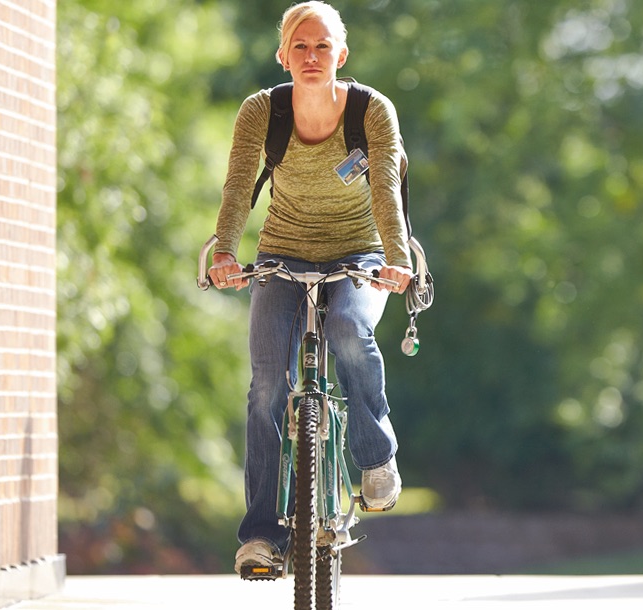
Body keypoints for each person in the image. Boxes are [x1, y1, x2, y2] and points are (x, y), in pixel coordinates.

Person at [208, 0, 412, 575]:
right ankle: (261, 537)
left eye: (323, 46)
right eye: (301, 46)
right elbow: (238, 187)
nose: (312, 56)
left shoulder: (372, 111)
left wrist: (397, 261)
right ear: (283, 56)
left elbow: (386, 194)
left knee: (349, 328)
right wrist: (225, 251)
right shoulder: (262, 112)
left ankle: (375, 459)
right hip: (282, 252)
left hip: (360, 252)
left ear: (341, 55)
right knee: (268, 384)